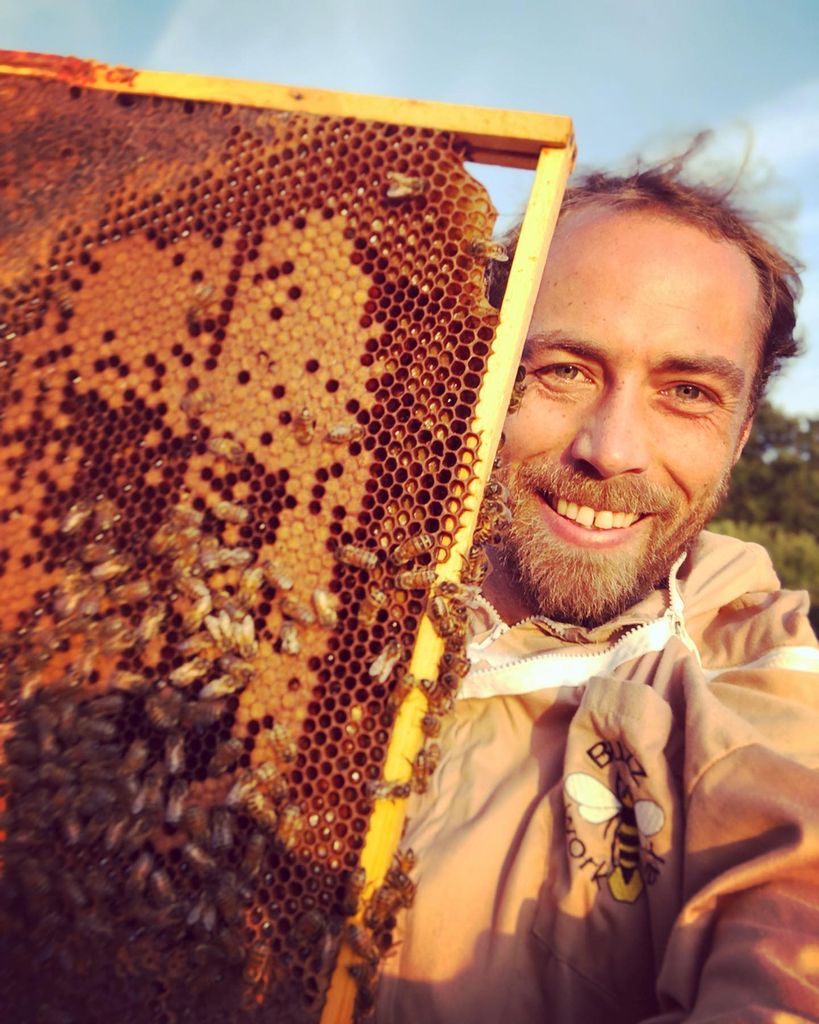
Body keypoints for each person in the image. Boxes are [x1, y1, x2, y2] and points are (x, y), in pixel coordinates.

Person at [373, 152, 819, 1023]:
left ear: (736, 438)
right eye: (564, 370)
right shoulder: (307, 597)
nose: (610, 450)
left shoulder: (764, 678)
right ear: (482, 369)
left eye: (684, 392)